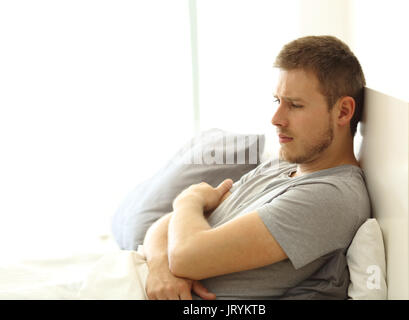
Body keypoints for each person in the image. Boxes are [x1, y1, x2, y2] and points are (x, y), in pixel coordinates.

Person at [142, 35, 370, 300]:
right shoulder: (281, 164)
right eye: (278, 101)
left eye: (295, 105)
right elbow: (160, 226)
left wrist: (187, 200)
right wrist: (160, 268)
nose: (276, 119)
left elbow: (184, 256)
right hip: (142, 278)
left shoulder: (331, 197)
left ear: (343, 112)